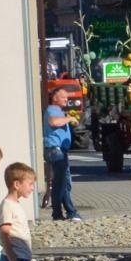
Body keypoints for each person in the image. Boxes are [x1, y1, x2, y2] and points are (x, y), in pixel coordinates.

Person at [43, 89, 81, 221]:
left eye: (67, 97)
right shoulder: (52, 110)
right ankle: (69, 212)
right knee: (62, 182)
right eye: (63, 97)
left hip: (59, 150)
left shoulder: (58, 111)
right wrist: (69, 118)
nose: (66, 100)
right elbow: (53, 122)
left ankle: (59, 213)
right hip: (56, 150)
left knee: (62, 182)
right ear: (55, 98)